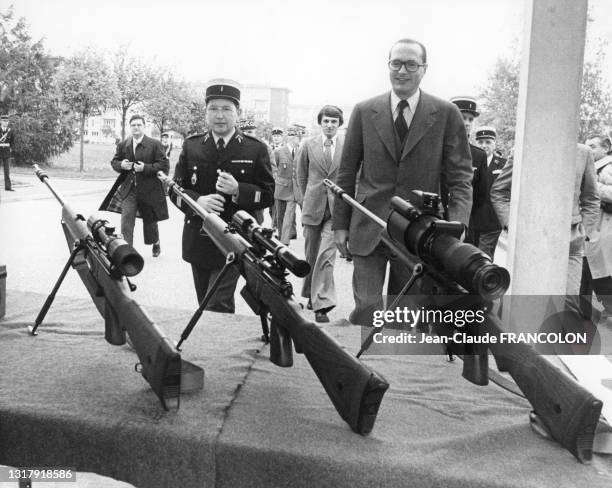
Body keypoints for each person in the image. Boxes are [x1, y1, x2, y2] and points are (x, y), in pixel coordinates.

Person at [333, 38, 473, 326]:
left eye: (411, 64)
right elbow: (346, 174)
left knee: (405, 320)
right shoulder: (363, 110)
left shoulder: (446, 114)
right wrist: (340, 226)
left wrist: (456, 227)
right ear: (388, 66)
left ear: (424, 69)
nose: (402, 71)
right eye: (396, 63)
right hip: (368, 229)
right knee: (367, 312)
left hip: (419, 233)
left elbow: (460, 179)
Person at [171, 80, 274, 313]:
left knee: (217, 303)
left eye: (226, 109)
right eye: (213, 109)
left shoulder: (254, 149)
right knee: (205, 302)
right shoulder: (192, 146)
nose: (220, 115)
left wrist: (239, 190)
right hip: (199, 237)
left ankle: (217, 346)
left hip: (236, 240)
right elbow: (174, 189)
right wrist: (197, 202)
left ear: (237, 113)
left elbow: (268, 195)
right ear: (206, 113)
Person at [489, 144, 599, 302]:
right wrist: (511, 225)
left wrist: (585, 231)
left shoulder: (583, 153)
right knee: (529, 301)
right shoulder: (525, 145)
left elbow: (591, 198)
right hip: (531, 240)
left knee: (567, 304)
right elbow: (499, 190)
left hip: (570, 242)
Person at [298, 105, 345, 323]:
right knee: (311, 255)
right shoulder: (308, 145)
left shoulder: (346, 146)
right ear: (320, 122)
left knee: (326, 255)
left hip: (336, 210)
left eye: (333, 122)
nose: (329, 125)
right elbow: (301, 176)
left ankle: (322, 302)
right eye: (326, 121)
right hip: (312, 206)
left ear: (339, 124)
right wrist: (303, 201)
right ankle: (310, 294)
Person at [100, 115, 169, 257]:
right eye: (133, 125)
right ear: (130, 127)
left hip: (149, 190)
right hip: (129, 189)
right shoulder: (123, 144)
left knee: (150, 222)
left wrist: (146, 168)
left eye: (139, 125)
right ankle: (127, 254)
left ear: (144, 127)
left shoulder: (155, 145)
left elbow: (164, 165)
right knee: (126, 220)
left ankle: (156, 242)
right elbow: (114, 162)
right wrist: (121, 165)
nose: (136, 127)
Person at [449, 97, 488, 244]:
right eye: (462, 117)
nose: (466, 123)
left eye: (471, 119)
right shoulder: (435, 149)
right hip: (435, 221)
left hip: (464, 225)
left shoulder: (478, 155)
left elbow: (480, 195)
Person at [582, 134, 612, 320]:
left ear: (606, 147)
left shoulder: (607, 168)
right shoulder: (594, 166)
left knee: (600, 272)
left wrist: (592, 186)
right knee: (589, 269)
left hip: (604, 226)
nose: (589, 150)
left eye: (593, 146)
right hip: (594, 226)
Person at [469, 126, 507, 257]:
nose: (484, 145)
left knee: (483, 258)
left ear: (495, 143)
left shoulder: (503, 165)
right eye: (480, 142)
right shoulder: (469, 161)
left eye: (488, 142)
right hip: (472, 219)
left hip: (491, 222)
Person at [274, 127, 300, 245]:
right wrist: (276, 180)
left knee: (289, 215)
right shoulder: (279, 152)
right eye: (297, 138)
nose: (299, 140)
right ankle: (281, 236)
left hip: (294, 190)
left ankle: (285, 241)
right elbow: (274, 168)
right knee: (280, 215)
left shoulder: (300, 151)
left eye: (299, 137)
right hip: (281, 187)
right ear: (291, 138)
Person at [0, 116, 15, 191]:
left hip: (6, 152)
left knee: (7, 171)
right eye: (3, 121)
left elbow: (12, 141)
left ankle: (8, 187)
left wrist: (10, 149)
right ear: (1, 121)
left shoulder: (10, 131)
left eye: (6, 121)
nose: (5, 122)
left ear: (8, 122)